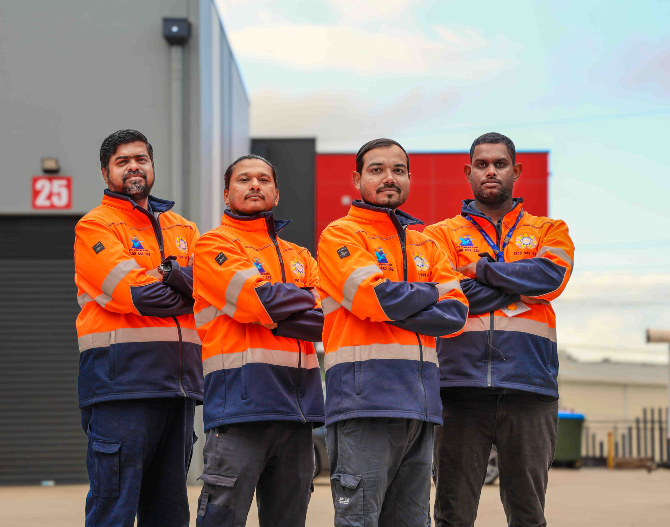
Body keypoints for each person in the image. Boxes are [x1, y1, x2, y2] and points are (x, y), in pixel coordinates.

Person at [424, 132, 575, 527]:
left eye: (500, 163)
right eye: (482, 164)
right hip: (457, 390)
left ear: (516, 171)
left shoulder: (550, 230)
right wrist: (515, 286)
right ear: (468, 172)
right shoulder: (438, 235)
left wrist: (481, 271)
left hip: (530, 388)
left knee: (528, 515)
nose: (490, 171)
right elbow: (443, 294)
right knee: (452, 514)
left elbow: (549, 277)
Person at [317, 138, 469, 527]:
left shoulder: (426, 243)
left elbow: (455, 314)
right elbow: (373, 298)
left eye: (398, 170)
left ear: (408, 178)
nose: (389, 178)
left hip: (419, 407)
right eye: (377, 169)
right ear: (356, 178)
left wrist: (395, 304)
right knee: (360, 520)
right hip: (364, 401)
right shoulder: (341, 235)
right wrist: (431, 292)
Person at [75, 129, 203, 527]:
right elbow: (139, 296)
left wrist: (166, 279)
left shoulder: (184, 229)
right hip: (121, 388)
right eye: (122, 161)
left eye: (141, 158)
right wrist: (180, 282)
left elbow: (212, 291)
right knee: (113, 510)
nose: (134, 166)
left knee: (168, 513)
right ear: (105, 172)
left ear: (152, 165)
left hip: (177, 389)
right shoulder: (95, 227)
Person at [192, 154, 325, 527]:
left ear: (277, 193)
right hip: (240, 406)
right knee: (222, 518)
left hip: (298, 411)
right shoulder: (212, 246)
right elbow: (256, 299)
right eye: (244, 179)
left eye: (263, 179)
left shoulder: (300, 255)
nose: (254, 185)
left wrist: (272, 314)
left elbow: (326, 319)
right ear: (226, 192)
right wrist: (291, 300)